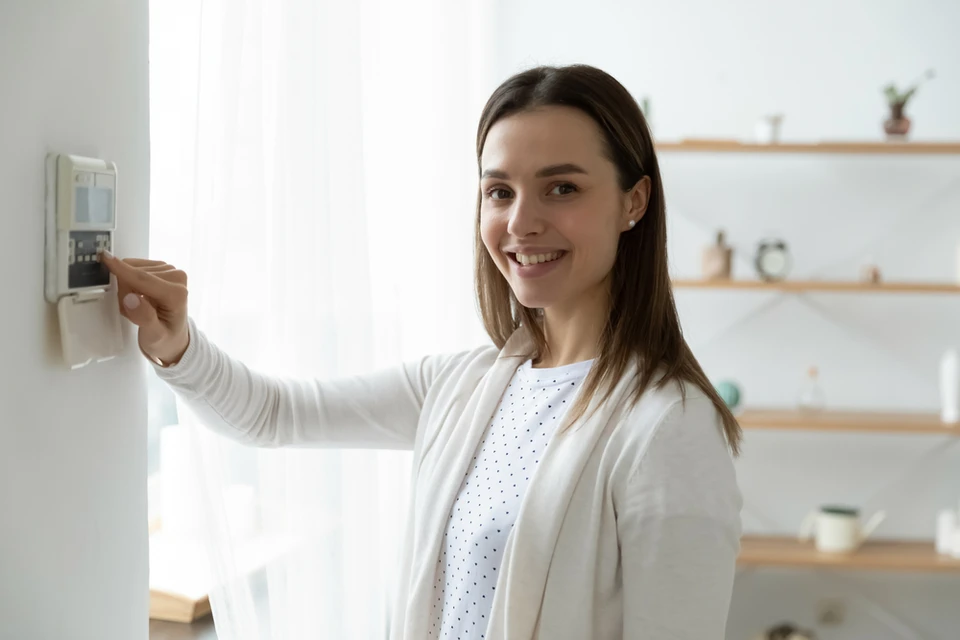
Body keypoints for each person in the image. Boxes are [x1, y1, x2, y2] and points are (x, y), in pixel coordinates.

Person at [103, 64, 743, 640]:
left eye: (562, 189)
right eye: (500, 191)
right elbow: (273, 414)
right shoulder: (466, 386)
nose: (521, 221)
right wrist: (177, 345)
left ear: (633, 201)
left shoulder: (669, 426)